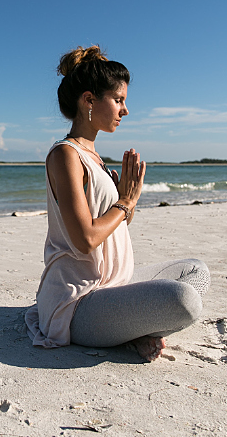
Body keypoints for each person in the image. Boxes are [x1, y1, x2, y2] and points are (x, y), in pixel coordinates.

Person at [25, 45, 210, 362]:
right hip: (81, 301)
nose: (125, 110)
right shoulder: (65, 156)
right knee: (183, 302)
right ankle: (133, 330)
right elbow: (85, 240)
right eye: (119, 100)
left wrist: (129, 200)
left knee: (196, 270)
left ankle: (135, 329)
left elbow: (115, 227)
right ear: (89, 101)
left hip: (114, 285)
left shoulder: (95, 159)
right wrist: (124, 202)